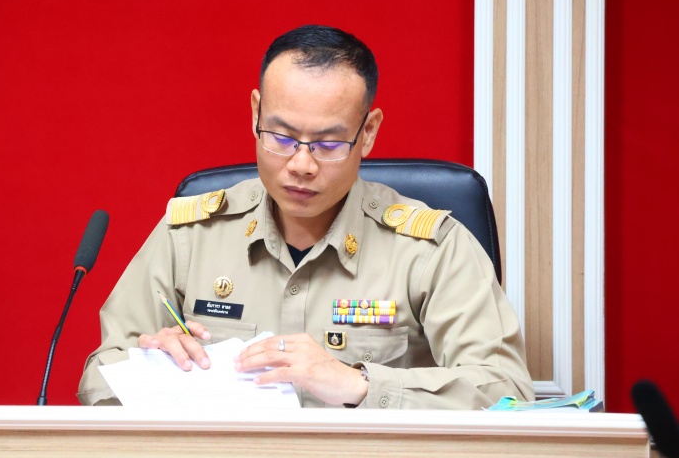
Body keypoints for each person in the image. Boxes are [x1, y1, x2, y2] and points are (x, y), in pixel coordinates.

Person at [77, 24, 533, 409]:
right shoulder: (190, 236)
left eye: (328, 144)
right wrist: (151, 366)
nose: (301, 164)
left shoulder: (430, 249)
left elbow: (507, 391)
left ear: (368, 133)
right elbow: (99, 377)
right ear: (255, 114)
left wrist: (360, 384)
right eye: (281, 137)